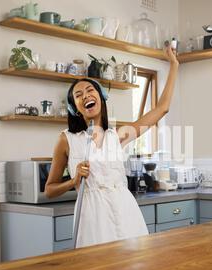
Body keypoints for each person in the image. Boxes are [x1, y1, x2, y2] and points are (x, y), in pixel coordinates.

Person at [45, 44, 179, 248]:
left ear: (101, 98)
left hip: (126, 212)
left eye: (90, 90)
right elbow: (50, 190)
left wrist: (174, 65)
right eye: (78, 95)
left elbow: (162, 108)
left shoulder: (117, 136)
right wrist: (73, 180)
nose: (86, 95)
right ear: (75, 108)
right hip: (93, 217)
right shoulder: (66, 140)